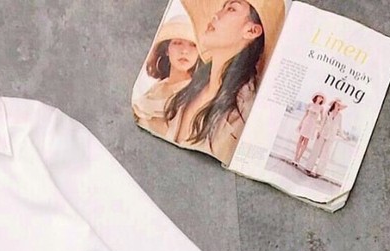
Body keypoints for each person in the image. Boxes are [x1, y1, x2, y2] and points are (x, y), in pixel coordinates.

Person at [164, 0, 285, 163]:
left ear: (251, 31)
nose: (216, 15)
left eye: (231, 9)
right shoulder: (193, 86)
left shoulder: (244, 108)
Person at [132, 17, 201, 135]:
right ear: (167, 49)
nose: (185, 51)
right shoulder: (157, 88)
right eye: (178, 43)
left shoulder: (196, 94)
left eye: (193, 45)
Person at [305, 99, 346, 179]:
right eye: (337, 104)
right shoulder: (328, 111)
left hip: (331, 136)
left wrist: (343, 136)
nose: (338, 106)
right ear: (334, 104)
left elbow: (340, 127)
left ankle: (319, 172)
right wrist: (319, 131)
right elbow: (322, 122)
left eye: (340, 105)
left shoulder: (340, 116)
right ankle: (308, 168)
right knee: (315, 151)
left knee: (325, 154)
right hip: (323, 133)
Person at [294, 93, 326, 166]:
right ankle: (295, 156)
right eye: (319, 96)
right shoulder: (310, 104)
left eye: (322, 98)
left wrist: (319, 126)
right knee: (300, 139)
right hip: (306, 122)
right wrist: (300, 124)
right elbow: (305, 115)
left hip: (312, 125)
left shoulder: (321, 108)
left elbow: (322, 119)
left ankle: (299, 158)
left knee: (306, 141)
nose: (320, 98)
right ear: (316, 97)